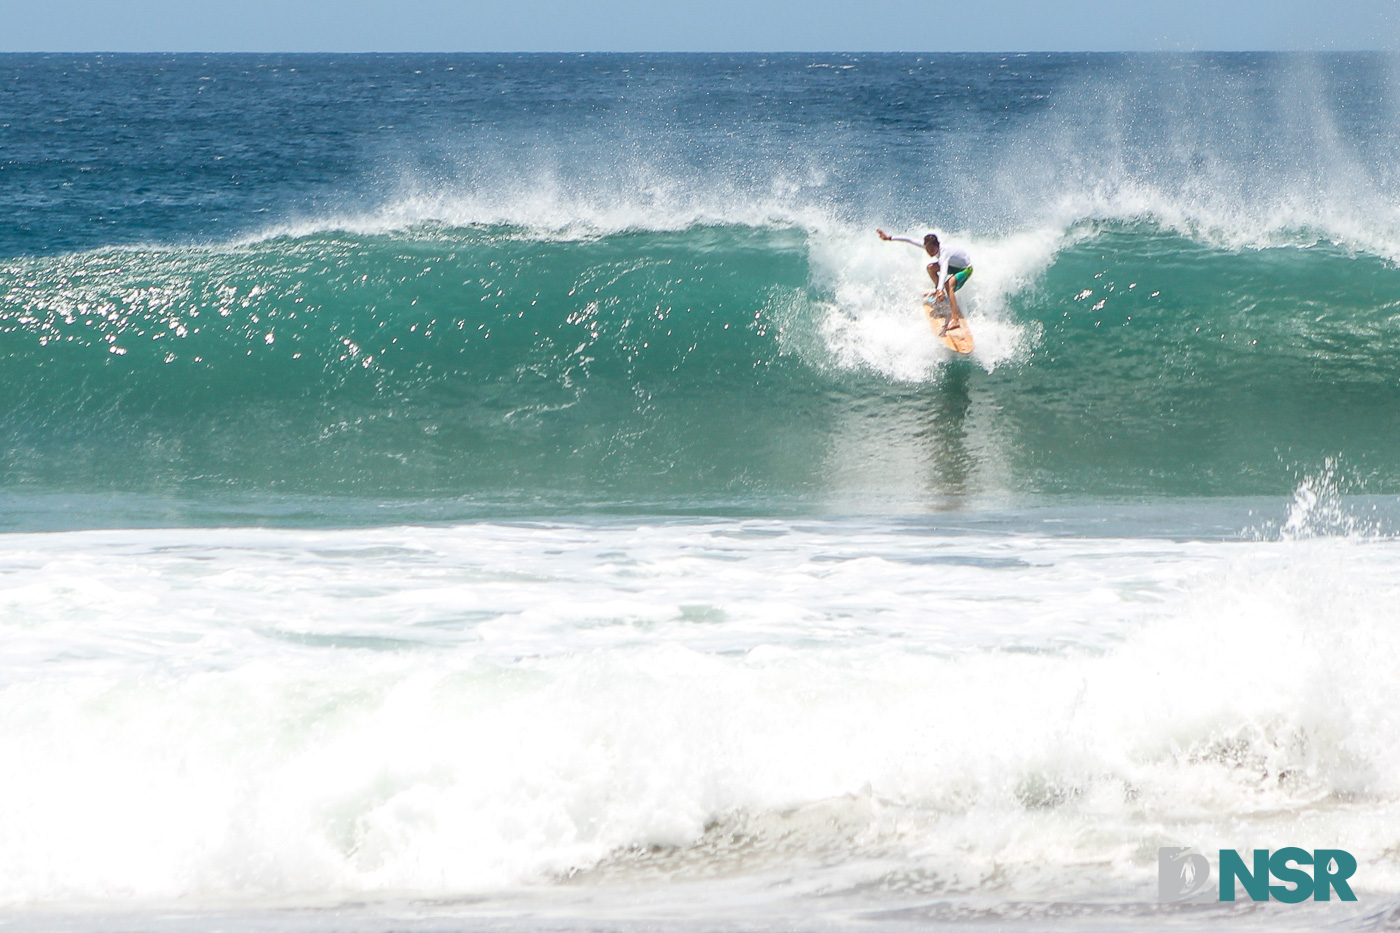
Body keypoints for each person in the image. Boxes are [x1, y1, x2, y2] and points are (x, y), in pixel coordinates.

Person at [877, 229, 973, 335]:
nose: (929, 252)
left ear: (937, 246)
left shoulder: (944, 254)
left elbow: (944, 271)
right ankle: (940, 294)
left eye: (932, 250)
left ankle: (955, 319)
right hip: (954, 265)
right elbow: (909, 240)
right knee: (931, 268)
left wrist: (940, 288)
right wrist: (889, 238)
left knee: (948, 284)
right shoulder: (928, 246)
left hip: (965, 269)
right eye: (927, 249)